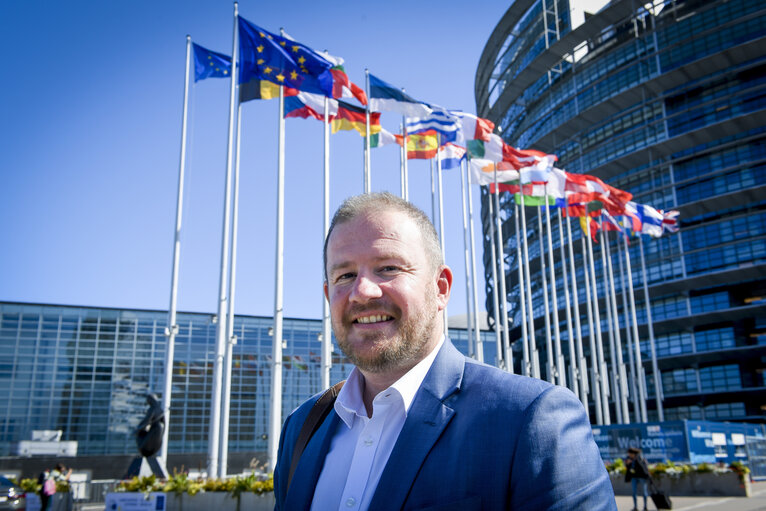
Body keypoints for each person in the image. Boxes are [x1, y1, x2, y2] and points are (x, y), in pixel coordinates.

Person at [273, 192, 616, 510]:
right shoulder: (302, 427)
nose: (362, 291)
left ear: (440, 289)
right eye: (345, 275)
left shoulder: (532, 420)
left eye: (388, 268)